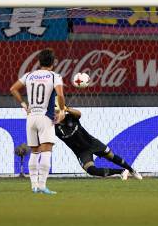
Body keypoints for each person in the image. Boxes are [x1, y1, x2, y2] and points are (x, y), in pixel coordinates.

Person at [10, 49, 65, 195]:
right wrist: (61, 110)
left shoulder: (29, 76)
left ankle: (34, 186)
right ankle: (42, 185)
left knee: (34, 152)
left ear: (39, 62)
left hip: (31, 118)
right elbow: (60, 94)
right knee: (46, 151)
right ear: (53, 63)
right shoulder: (55, 76)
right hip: (45, 117)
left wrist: (23, 104)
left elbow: (13, 89)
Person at [56, 106, 142, 180]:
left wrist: (67, 109)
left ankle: (131, 170)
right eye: (55, 113)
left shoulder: (71, 117)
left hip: (92, 143)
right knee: (91, 170)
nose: (56, 114)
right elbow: (59, 125)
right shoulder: (56, 128)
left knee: (111, 156)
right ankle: (122, 171)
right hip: (81, 152)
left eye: (57, 112)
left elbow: (79, 114)